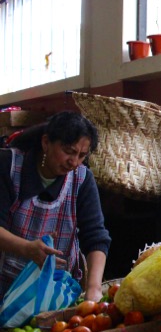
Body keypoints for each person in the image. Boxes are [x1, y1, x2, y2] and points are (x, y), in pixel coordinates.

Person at [0, 110, 111, 302]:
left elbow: (96, 237)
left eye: (81, 155)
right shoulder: (8, 166)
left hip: (56, 291)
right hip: (6, 286)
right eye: (69, 151)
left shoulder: (82, 180)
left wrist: (94, 288)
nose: (74, 162)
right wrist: (27, 248)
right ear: (46, 142)